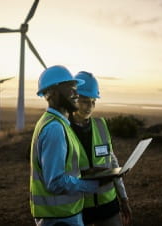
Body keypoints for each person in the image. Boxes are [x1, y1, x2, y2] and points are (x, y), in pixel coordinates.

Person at [30, 65, 112, 226]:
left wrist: (87, 172)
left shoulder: (59, 123)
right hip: (59, 218)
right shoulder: (55, 128)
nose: (76, 93)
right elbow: (55, 182)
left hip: (63, 215)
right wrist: (91, 185)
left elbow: (62, 169)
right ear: (52, 94)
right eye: (70, 88)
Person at [70, 71, 132, 226]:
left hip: (108, 206)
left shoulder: (101, 125)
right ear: (74, 99)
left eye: (93, 101)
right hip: (79, 208)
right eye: (85, 101)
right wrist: (84, 174)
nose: (89, 107)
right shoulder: (62, 129)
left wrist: (123, 198)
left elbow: (112, 162)